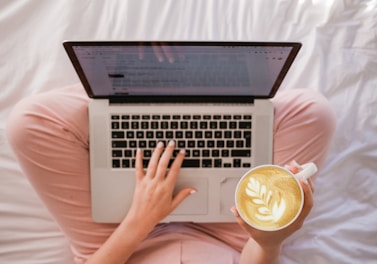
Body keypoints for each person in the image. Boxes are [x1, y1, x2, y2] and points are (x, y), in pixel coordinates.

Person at [6, 83, 336, 264]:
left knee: (29, 122)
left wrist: (139, 220)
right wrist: (268, 240)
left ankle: (134, 88)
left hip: (121, 242)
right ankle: (209, 91)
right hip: (233, 240)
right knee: (313, 111)